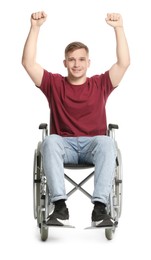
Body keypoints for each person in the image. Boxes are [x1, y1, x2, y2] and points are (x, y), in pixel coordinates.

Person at [22, 11, 130, 227]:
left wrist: (119, 28)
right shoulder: (54, 84)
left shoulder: (100, 84)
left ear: (89, 63)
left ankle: (100, 209)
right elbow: (28, 63)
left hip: (93, 146)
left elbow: (123, 63)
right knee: (49, 140)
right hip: (64, 146)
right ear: (65, 62)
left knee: (108, 141)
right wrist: (35, 28)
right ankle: (60, 206)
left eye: (81, 59)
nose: (77, 64)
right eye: (72, 59)